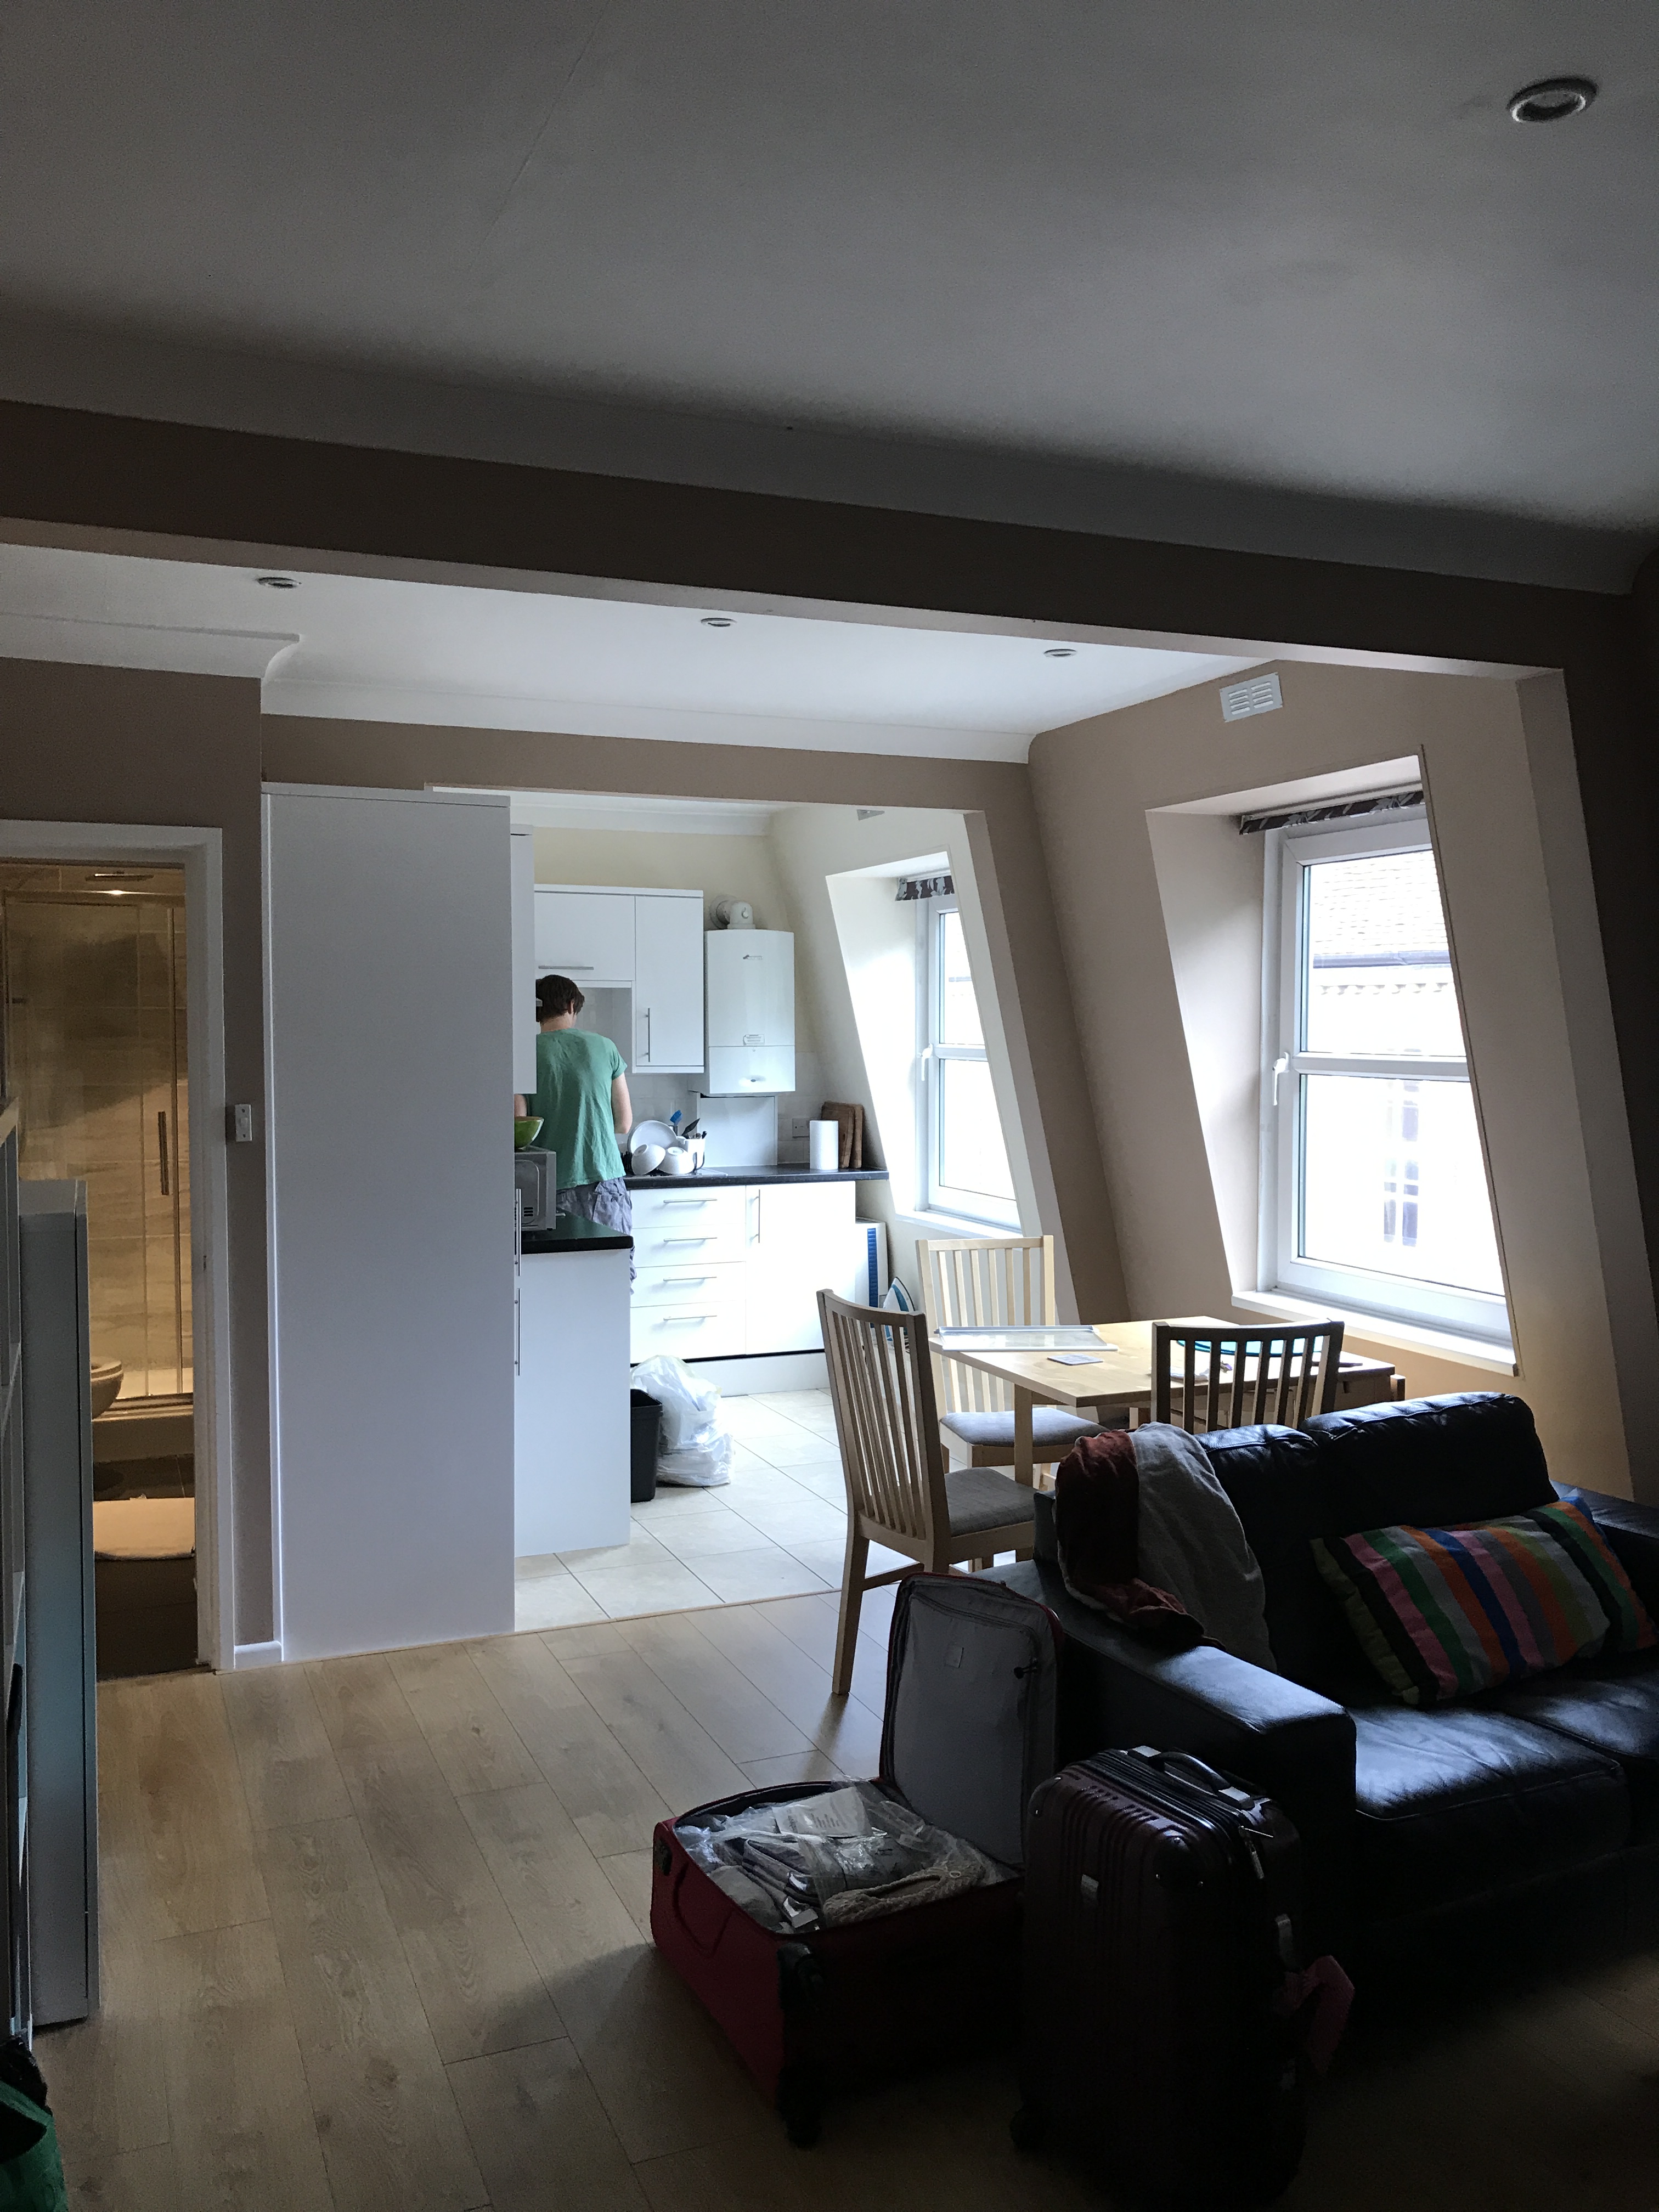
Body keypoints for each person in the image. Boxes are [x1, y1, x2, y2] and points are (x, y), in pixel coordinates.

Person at [515, 974, 634, 1240]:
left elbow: (518, 1127)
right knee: (610, 1262)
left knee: (559, 1263)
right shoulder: (605, 1047)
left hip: (547, 1185)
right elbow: (624, 1123)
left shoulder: (523, 1054)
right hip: (603, 1179)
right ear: (571, 1005)